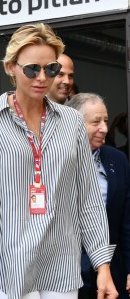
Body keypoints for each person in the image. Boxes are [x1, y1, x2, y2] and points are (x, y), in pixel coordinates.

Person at [0, 23, 118, 299]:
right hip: (9, 270)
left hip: (62, 267)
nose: (42, 77)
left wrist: (102, 265)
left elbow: (88, 198)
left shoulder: (72, 121)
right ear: (11, 67)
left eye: (52, 69)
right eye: (32, 69)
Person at [66, 93, 130, 299]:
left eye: (106, 120)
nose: (103, 128)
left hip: (113, 271)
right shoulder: (55, 160)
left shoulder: (117, 160)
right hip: (68, 272)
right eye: (96, 122)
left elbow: (126, 222)